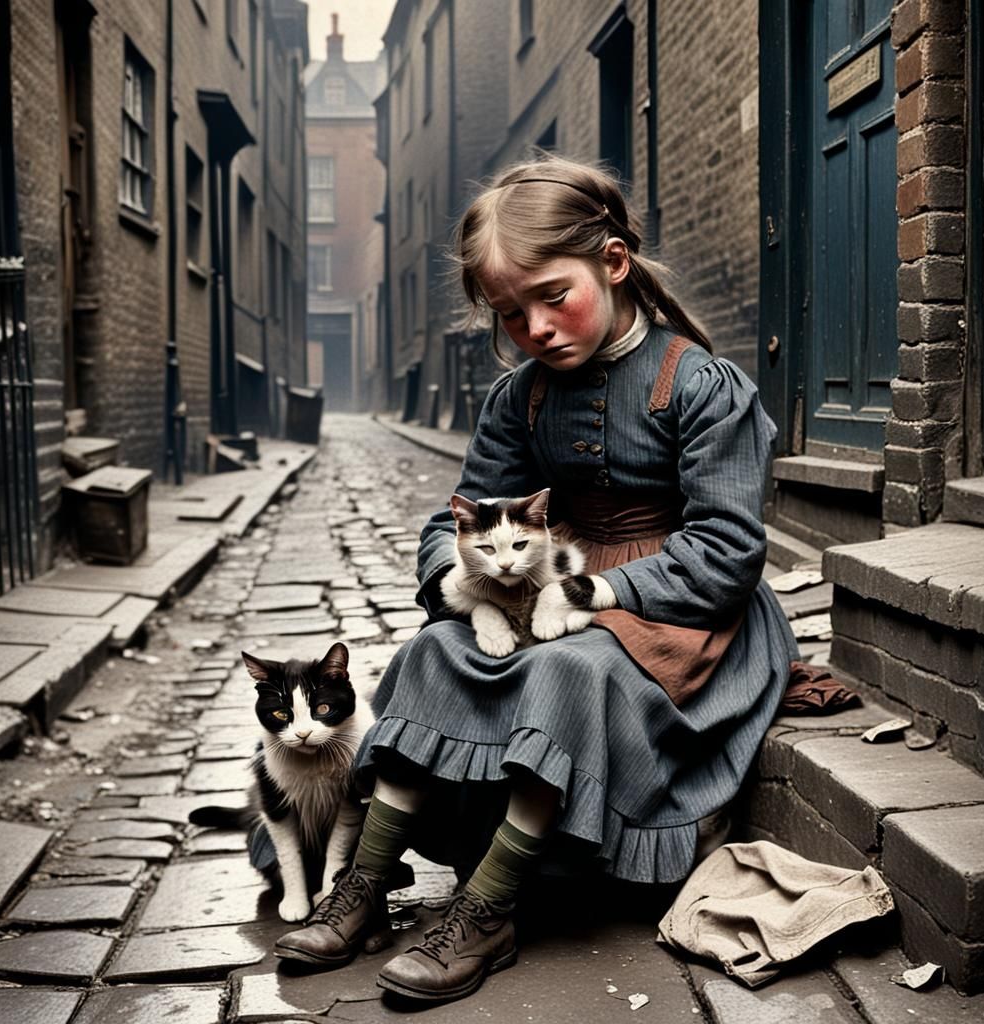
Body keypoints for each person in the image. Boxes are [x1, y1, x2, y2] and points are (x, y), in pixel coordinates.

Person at [274, 156, 799, 1004]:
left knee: (566, 667)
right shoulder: (516, 400)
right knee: (434, 653)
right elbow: (456, 525)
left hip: (681, 610)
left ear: (614, 263)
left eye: (554, 296)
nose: (537, 327)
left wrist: (592, 594)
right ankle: (364, 886)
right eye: (512, 314)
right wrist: (463, 584)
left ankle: (488, 907)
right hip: (541, 587)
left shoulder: (701, 386)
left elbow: (728, 550)